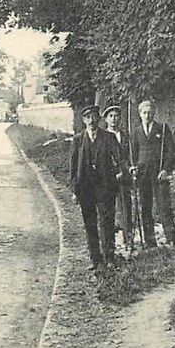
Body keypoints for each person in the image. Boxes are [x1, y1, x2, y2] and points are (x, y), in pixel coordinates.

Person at [69, 105, 119, 269]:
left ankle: (109, 257)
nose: (91, 121)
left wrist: (121, 172)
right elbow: (74, 166)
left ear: (98, 118)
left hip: (105, 187)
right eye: (88, 117)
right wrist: (75, 190)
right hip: (86, 188)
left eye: (94, 117)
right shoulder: (78, 140)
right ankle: (95, 259)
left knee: (107, 221)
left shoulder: (108, 137)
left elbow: (120, 158)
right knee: (89, 223)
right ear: (83, 120)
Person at [130, 99, 175, 247]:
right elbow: (132, 153)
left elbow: (171, 152)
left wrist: (166, 169)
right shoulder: (136, 132)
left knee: (164, 206)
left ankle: (171, 239)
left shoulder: (162, 129)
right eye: (144, 113)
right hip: (143, 175)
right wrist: (133, 168)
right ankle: (150, 241)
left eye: (150, 112)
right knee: (145, 207)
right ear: (140, 114)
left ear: (154, 113)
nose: (147, 115)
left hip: (159, 173)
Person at [103, 102, 134, 253]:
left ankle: (129, 240)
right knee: (108, 210)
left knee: (126, 208)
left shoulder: (126, 135)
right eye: (111, 116)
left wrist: (129, 169)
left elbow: (128, 156)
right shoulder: (102, 137)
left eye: (117, 116)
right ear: (106, 119)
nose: (114, 119)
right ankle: (110, 245)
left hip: (125, 178)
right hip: (108, 179)